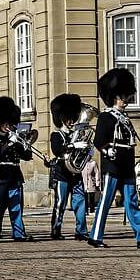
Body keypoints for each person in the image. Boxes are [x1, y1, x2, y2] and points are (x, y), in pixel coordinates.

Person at [88, 67, 140, 250]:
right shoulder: (106, 116)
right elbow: (99, 141)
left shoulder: (124, 118)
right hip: (113, 165)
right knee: (105, 202)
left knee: (132, 203)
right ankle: (95, 236)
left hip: (126, 166)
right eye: (122, 97)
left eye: (126, 97)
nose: (125, 101)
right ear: (114, 97)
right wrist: (107, 152)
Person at [0, 96, 34, 242]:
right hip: (1, 175)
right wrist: (8, 145)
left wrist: (25, 145)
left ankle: (19, 233)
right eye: (5, 122)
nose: (8, 125)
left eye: (9, 122)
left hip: (15, 174)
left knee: (16, 206)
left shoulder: (14, 138)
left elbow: (26, 156)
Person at [48, 94, 90, 242]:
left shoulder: (76, 133)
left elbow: (82, 152)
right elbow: (57, 149)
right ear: (62, 119)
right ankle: (56, 229)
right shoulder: (56, 134)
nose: (71, 122)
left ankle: (81, 230)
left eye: (73, 118)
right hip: (62, 173)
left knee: (80, 202)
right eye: (68, 119)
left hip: (76, 173)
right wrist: (73, 145)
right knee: (60, 203)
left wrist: (86, 150)